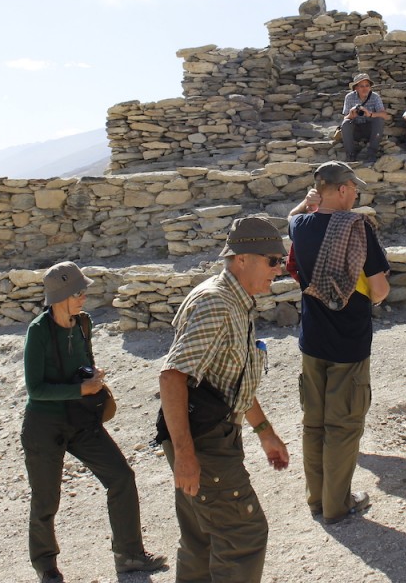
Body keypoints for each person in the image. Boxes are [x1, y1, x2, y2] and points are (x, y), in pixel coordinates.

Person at [159, 216, 291, 582]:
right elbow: (172, 377)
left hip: (206, 435)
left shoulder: (237, 301)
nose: (279, 270)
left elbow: (228, 383)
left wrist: (264, 431)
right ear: (242, 259)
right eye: (273, 260)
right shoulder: (217, 304)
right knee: (243, 537)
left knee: (202, 539)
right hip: (204, 442)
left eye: (281, 262)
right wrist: (186, 456)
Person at [21, 261, 166, 583]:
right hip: (44, 426)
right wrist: (79, 388)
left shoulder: (83, 324)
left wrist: (92, 378)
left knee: (122, 477)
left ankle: (129, 554)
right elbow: (35, 389)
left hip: (81, 420)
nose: (84, 297)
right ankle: (46, 567)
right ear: (61, 295)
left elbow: (84, 364)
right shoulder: (38, 331)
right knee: (47, 500)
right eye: (78, 292)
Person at [288, 161, 391, 524]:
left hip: (312, 340)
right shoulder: (357, 227)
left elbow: (292, 216)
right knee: (343, 425)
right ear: (344, 188)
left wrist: (307, 203)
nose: (357, 194)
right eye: (355, 188)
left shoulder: (300, 225)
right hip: (349, 342)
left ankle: (317, 499)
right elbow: (379, 289)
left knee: (313, 422)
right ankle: (337, 504)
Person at [341, 72, 388, 163]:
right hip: (356, 128)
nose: (365, 88)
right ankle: (350, 155)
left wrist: (370, 114)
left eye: (367, 85)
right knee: (345, 123)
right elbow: (345, 117)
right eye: (361, 86)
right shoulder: (349, 97)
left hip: (370, 128)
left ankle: (372, 153)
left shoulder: (375, 97)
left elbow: (384, 115)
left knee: (379, 120)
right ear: (356, 88)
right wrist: (351, 115)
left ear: (370, 87)